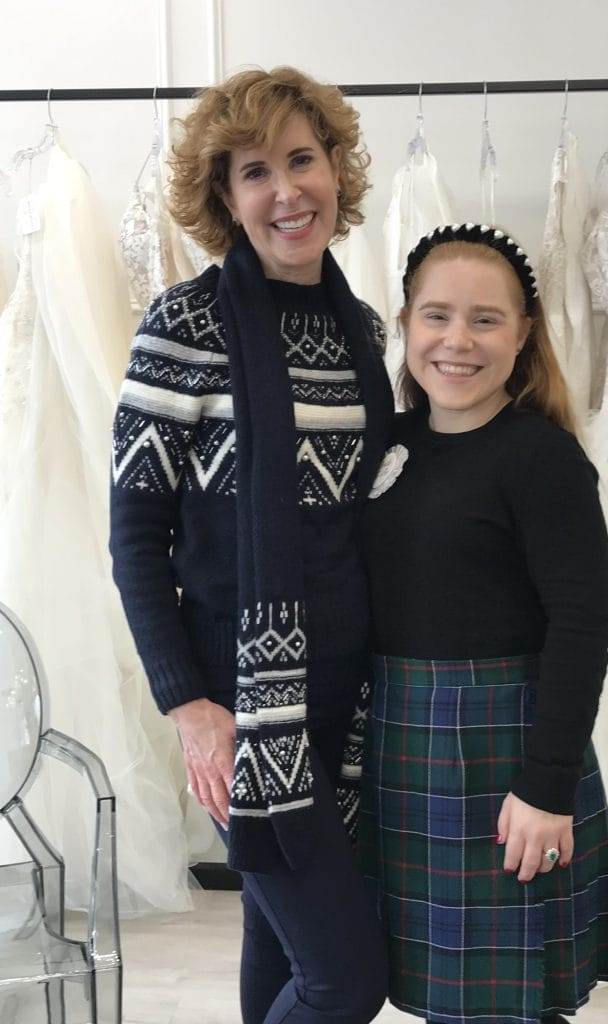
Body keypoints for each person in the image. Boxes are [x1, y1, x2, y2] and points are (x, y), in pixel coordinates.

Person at [109, 66, 393, 1024]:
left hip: (346, 704)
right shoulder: (183, 326)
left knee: (281, 955)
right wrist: (189, 705)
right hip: (246, 715)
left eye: (302, 160)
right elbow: (136, 535)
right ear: (225, 198)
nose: (287, 191)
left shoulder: (362, 332)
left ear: (336, 170)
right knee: (347, 981)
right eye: (255, 172)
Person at [359, 223, 608, 1024]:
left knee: (502, 1002)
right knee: (435, 993)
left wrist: (545, 786)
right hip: (395, 741)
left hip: (501, 751)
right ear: (407, 324)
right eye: (436, 315)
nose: (457, 340)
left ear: (522, 335)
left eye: (486, 319)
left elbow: (583, 626)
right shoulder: (387, 442)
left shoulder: (541, 458)